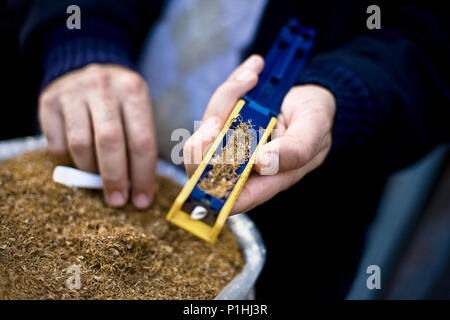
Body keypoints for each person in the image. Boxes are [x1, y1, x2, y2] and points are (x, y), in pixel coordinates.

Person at [9, 0, 450, 299]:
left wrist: (340, 95)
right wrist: (80, 36)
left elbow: (431, 45)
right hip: (70, 169)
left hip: (290, 238)